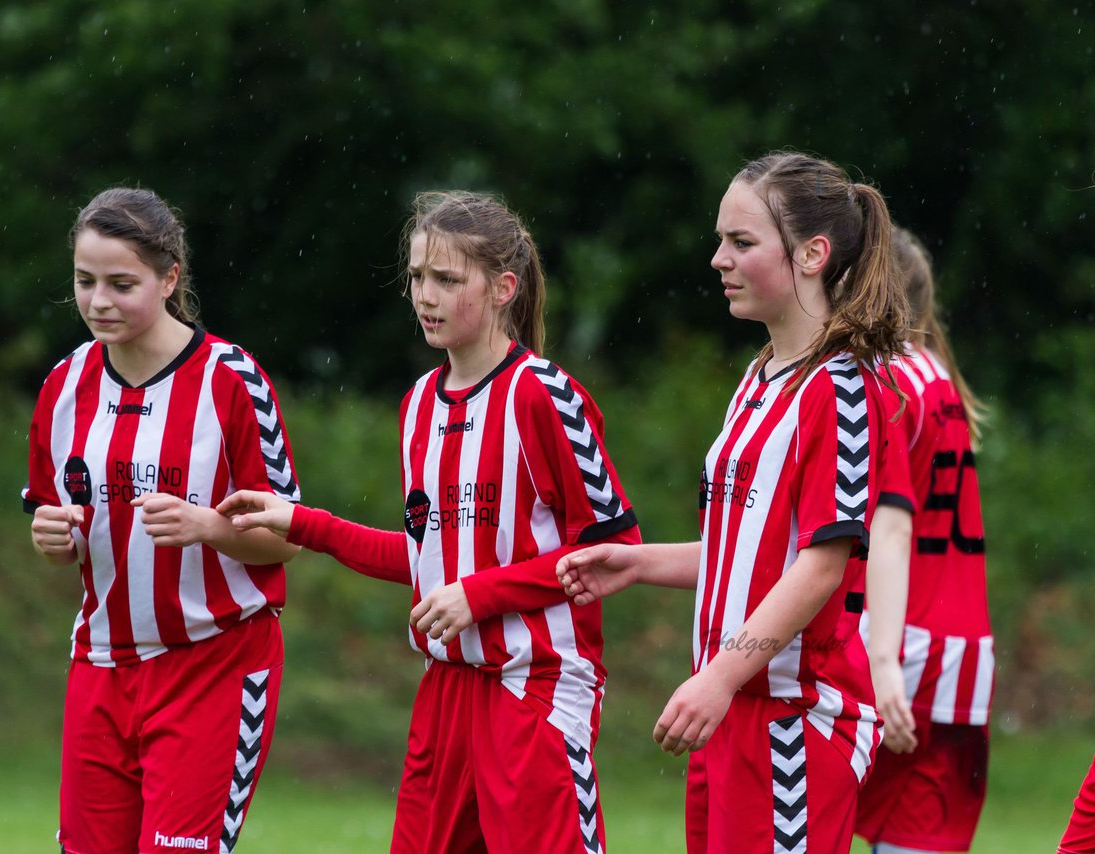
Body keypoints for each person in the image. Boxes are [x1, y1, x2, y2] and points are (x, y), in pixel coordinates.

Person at [216, 190, 641, 853]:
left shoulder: (543, 396)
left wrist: (483, 596)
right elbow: (430, 562)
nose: (425, 295)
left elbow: (615, 550)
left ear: (503, 288)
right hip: (444, 696)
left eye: (447, 279)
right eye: (417, 277)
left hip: (534, 689)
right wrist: (302, 523)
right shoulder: (418, 404)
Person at [557, 151, 910, 853]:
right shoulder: (759, 380)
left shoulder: (840, 390)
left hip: (792, 725)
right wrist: (638, 564)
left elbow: (819, 567)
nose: (719, 258)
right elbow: (750, 551)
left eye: (741, 242)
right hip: (734, 715)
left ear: (813, 254)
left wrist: (719, 674)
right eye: (720, 239)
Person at [22, 187, 301, 854]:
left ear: (169, 277)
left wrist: (209, 527)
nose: (98, 302)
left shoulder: (232, 382)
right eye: (85, 282)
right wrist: (51, 540)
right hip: (101, 665)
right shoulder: (65, 385)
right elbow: (58, 536)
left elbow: (286, 540)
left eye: (122, 284)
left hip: (213, 662)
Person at [851, 227, 994, 853]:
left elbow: (890, 523)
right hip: (963, 651)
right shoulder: (939, 378)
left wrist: (883, 662)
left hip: (902, 645)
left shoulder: (888, 385)